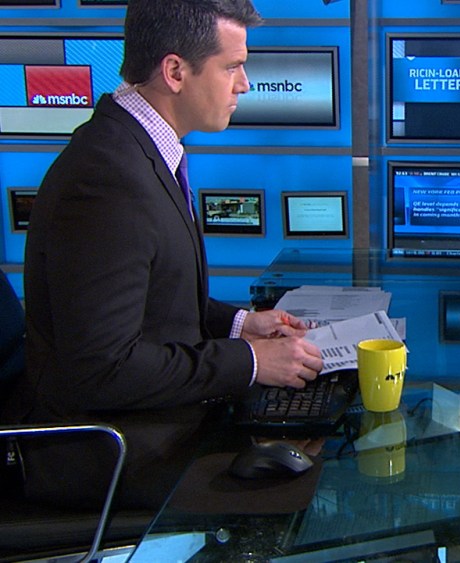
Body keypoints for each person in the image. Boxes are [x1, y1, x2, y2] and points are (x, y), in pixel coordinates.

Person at [2, 0, 324, 427]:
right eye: (232, 67)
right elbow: (103, 370)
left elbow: (157, 303)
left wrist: (240, 325)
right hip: (127, 448)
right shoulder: (107, 180)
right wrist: (250, 361)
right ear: (174, 72)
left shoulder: (135, 149)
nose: (244, 85)